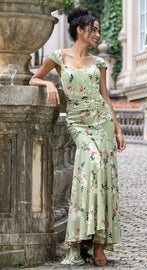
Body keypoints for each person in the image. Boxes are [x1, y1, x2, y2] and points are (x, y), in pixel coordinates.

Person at [29, 6, 126, 266]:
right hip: (79, 123)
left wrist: (117, 129)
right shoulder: (58, 57)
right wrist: (49, 82)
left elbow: (105, 97)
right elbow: (33, 80)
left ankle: (98, 245)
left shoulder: (100, 63)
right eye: (93, 29)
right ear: (79, 30)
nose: (97, 34)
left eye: (97, 30)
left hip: (102, 123)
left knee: (103, 177)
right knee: (91, 166)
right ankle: (80, 238)